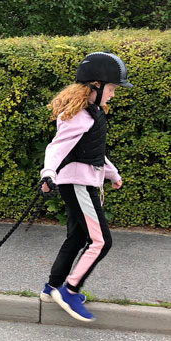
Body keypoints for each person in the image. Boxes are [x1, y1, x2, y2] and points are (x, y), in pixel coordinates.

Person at [38, 51, 132, 322]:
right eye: (112, 88)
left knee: (78, 238)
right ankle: (69, 290)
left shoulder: (92, 114)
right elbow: (56, 147)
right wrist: (48, 174)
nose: (114, 94)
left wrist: (112, 174)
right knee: (102, 242)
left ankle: (51, 287)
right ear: (95, 86)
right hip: (78, 184)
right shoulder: (79, 116)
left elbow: (94, 151)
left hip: (84, 182)